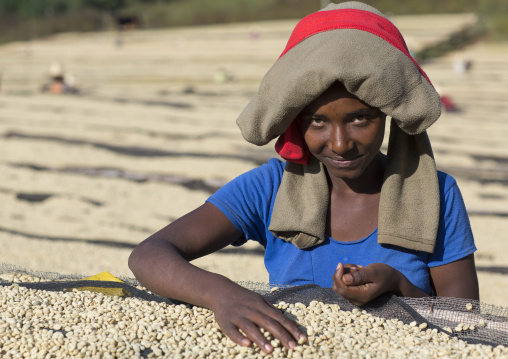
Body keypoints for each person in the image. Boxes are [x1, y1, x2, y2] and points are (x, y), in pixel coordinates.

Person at [129, 1, 479, 354]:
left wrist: (398, 285)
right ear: (296, 121)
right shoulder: (270, 189)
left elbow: (468, 322)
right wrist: (222, 294)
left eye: (361, 119)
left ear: (388, 114)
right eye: (317, 121)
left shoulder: (436, 194)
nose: (340, 144)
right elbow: (149, 255)